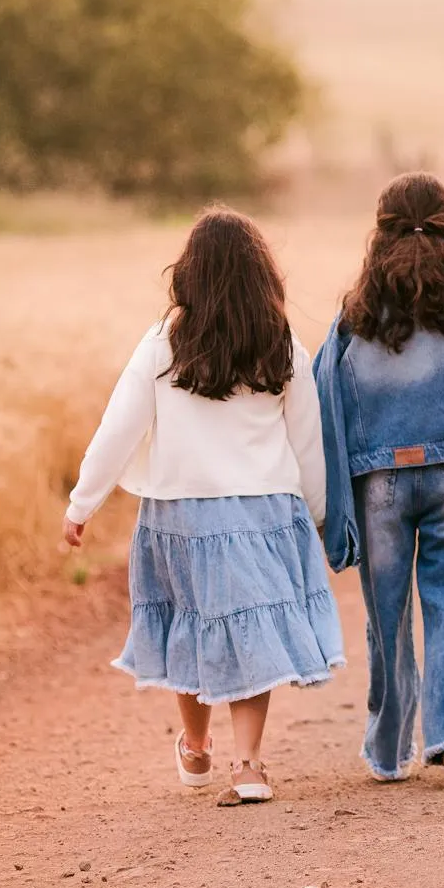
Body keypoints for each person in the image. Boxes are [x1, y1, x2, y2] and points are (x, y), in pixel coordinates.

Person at [61, 207, 343, 806]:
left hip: (179, 516)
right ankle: (248, 764)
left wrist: (82, 502)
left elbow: (118, 428)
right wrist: (321, 516)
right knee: (251, 631)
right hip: (263, 514)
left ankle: (195, 747)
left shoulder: (163, 342)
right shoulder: (280, 343)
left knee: (186, 624)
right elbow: (308, 439)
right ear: (261, 274)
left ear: (189, 273)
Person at [314, 173, 444, 788]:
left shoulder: (354, 313)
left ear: (381, 232)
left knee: (388, 615)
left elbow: (328, 392)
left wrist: (338, 491)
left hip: (378, 482)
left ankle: (390, 750)